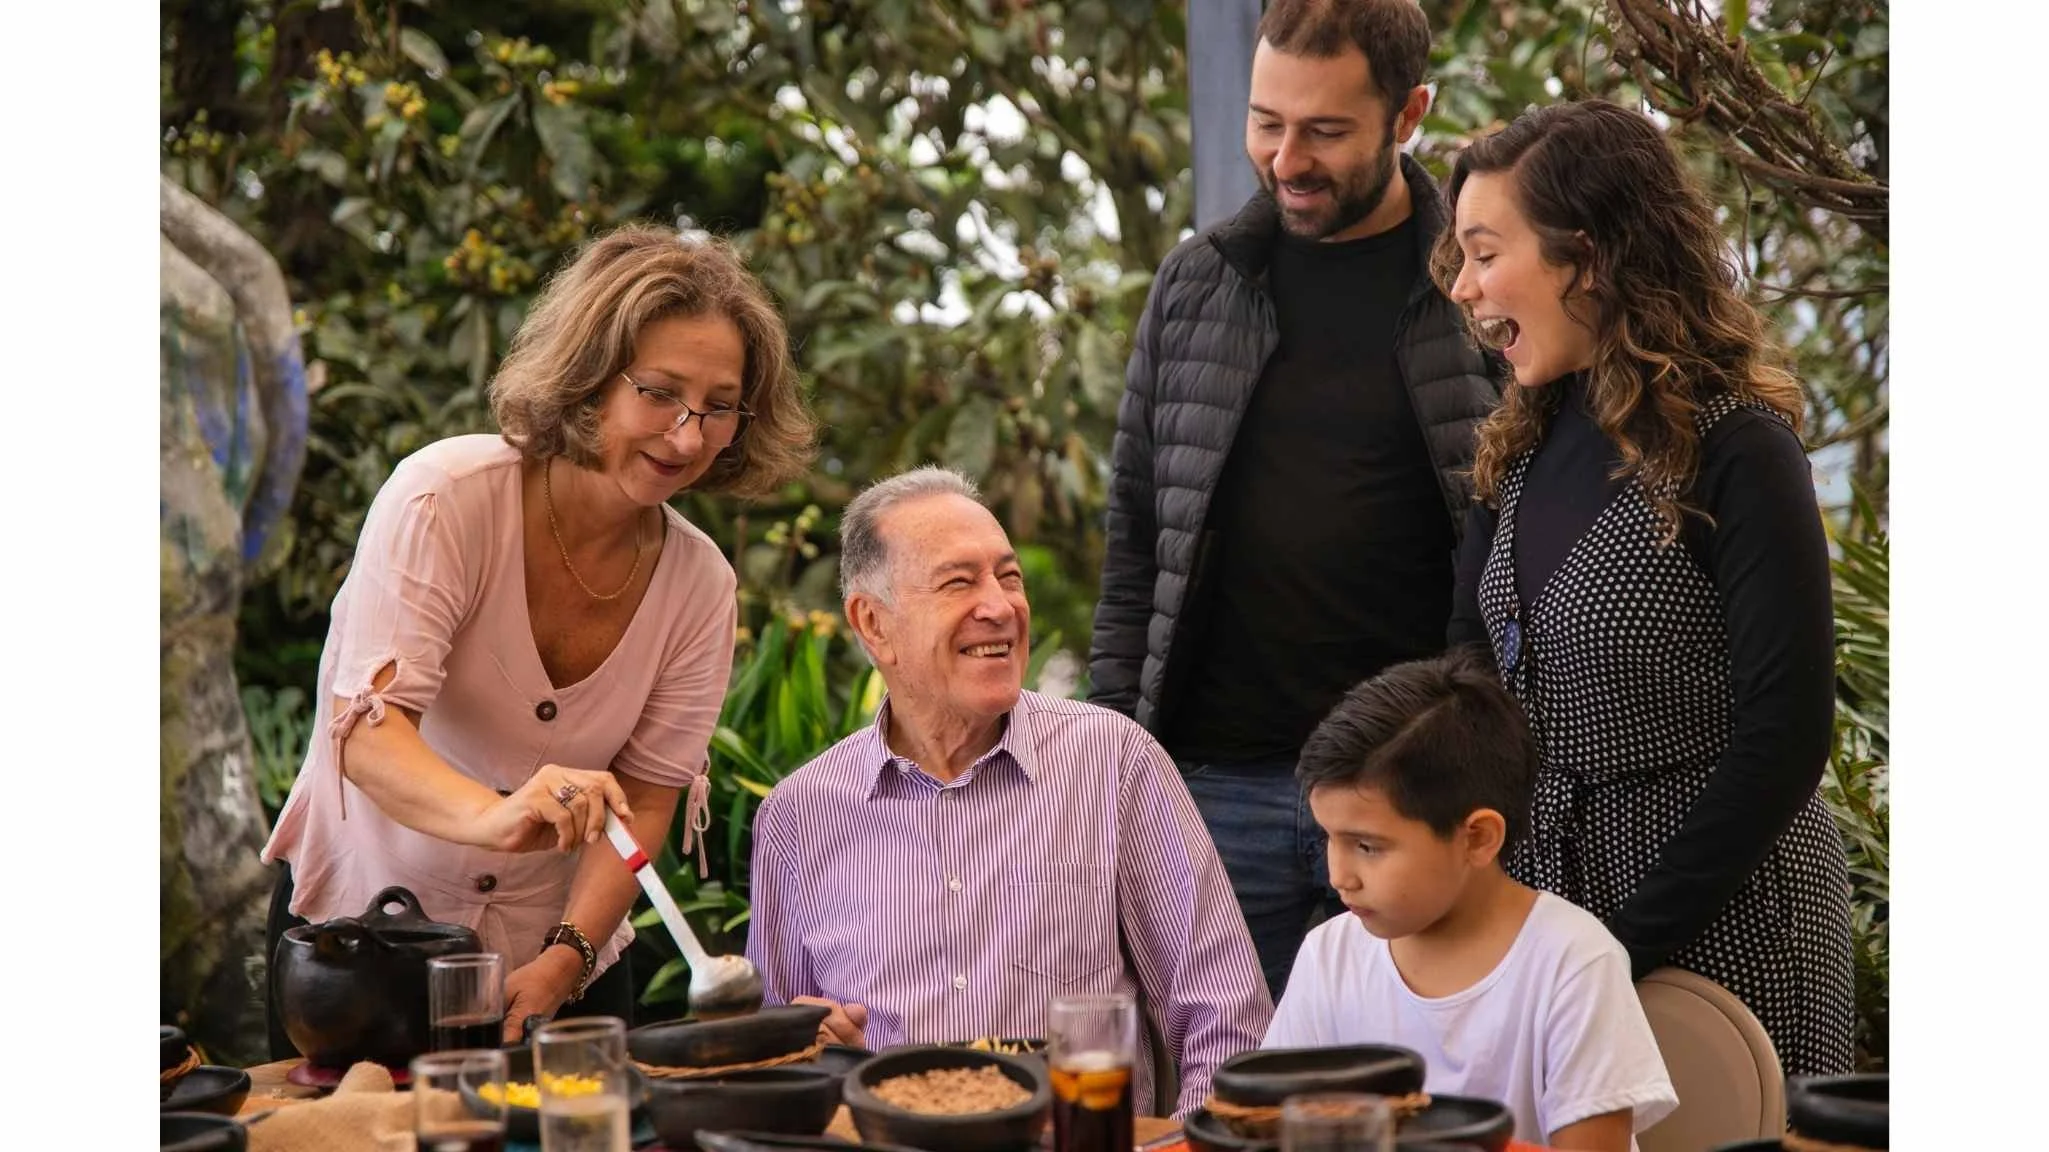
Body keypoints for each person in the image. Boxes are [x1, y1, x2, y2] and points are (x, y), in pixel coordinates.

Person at [259, 225, 816, 1056]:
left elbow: (652, 795)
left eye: (720, 406)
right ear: (590, 378)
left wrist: (565, 959)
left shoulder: (702, 585)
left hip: (563, 968)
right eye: (659, 392)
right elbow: (368, 738)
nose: (688, 435)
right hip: (360, 957)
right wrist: (498, 816)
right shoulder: (443, 499)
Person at [1087, 0, 1503, 1002]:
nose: (1285, 158)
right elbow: (1137, 546)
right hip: (1216, 790)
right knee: (1236, 1101)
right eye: (1267, 122)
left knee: (1423, 1099)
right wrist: (1108, 767)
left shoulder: (1477, 294)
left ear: (1410, 116)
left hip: (1415, 797)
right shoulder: (1196, 285)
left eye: (1324, 131)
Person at [1437, 97, 1856, 1076]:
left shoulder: (1737, 446)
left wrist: (1625, 941)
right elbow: (1468, 676)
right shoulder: (1519, 449)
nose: (1464, 287)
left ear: (1586, 258)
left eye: (1486, 252)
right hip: (1565, 934)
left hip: (1729, 936)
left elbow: (1786, 735)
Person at [746, 467, 1273, 1117]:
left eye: (1009, 576)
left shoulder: (1112, 764)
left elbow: (1224, 1020)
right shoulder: (799, 817)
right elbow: (774, 1064)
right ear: (873, 624)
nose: (999, 606)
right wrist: (821, 1055)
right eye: (958, 582)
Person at [1263, 651, 1677, 1151]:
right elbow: (1276, 1129)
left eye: (1367, 846)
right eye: (1330, 838)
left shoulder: (1574, 961)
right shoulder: (1328, 956)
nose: (1338, 875)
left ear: (1478, 838)